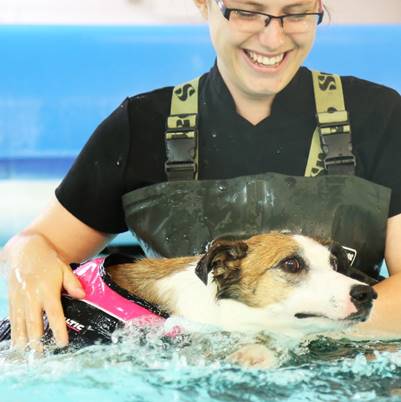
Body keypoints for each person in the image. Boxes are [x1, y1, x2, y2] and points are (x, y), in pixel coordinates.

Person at [2, 0, 401, 351]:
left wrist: (271, 341)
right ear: (203, 3)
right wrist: (26, 255)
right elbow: (36, 245)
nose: (273, 38)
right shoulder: (140, 127)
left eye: (296, 14)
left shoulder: (378, 117)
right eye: (246, 11)